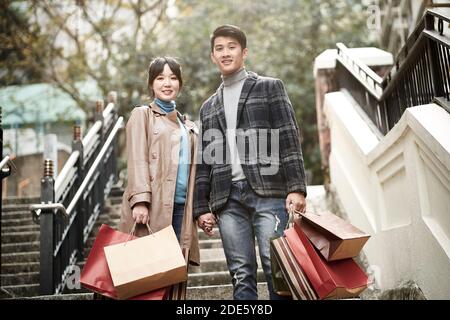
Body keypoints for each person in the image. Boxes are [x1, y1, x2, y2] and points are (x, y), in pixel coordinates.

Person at [194, 25, 307, 300]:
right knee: (241, 272)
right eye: (219, 48)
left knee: (275, 265)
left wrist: (297, 187)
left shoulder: (269, 87)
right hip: (228, 199)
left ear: (244, 52)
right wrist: (201, 207)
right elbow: (204, 161)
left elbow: (288, 138)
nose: (225, 53)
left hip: (269, 192)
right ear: (212, 56)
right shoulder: (208, 106)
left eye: (231, 47)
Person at [119, 56, 200, 298]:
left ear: (180, 84)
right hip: (152, 209)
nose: (168, 83)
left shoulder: (188, 125)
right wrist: (140, 200)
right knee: (148, 281)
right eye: (161, 78)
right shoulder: (142, 115)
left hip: (182, 211)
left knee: (174, 278)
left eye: (173, 78)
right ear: (151, 84)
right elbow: (137, 158)